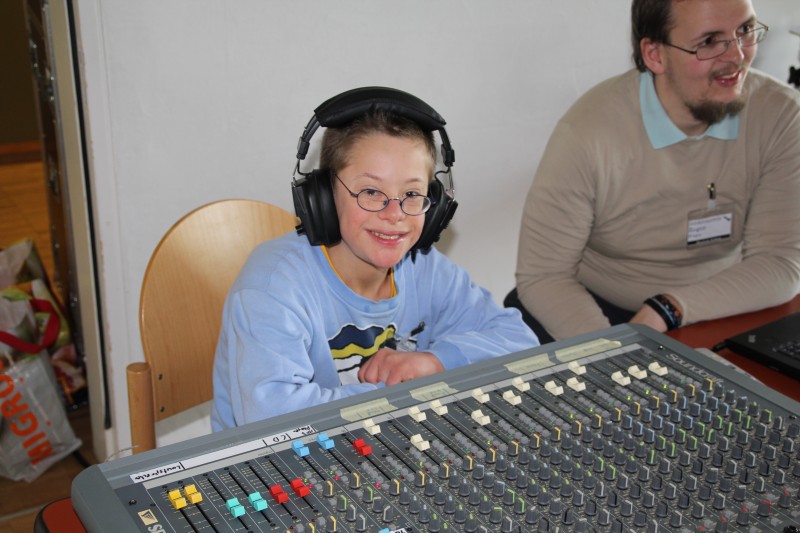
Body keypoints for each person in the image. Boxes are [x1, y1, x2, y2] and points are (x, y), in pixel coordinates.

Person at [211, 88, 539, 431]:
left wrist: (435, 362)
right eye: (371, 192)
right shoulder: (273, 288)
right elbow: (271, 418)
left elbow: (520, 342)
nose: (394, 214)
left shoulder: (424, 267)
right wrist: (404, 392)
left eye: (411, 194)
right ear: (323, 196)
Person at [507, 0, 800, 344]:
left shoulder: (782, 116)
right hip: (594, 309)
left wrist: (669, 308)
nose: (736, 55)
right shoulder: (588, 133)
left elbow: (781, 263)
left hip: (718, 302)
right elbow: (544, 277)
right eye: (709, 41)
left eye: (745, 30)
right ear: (655, 55)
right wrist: (614, 351)